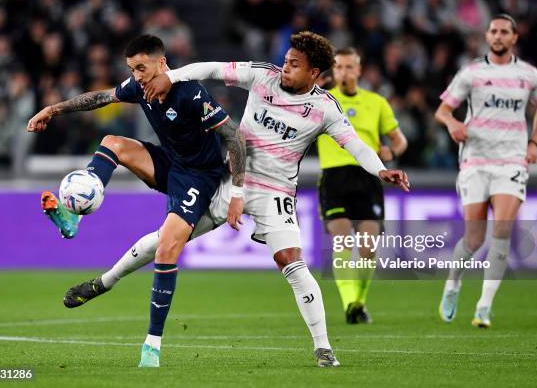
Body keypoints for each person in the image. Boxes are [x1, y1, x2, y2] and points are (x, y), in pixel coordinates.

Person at [105, 31, 406, 368]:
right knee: (168, 239)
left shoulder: (325, 109)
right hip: (232, 179)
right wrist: (170, 77)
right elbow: (212, 69)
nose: (285, 67)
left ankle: (323, 347)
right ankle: (106, 280)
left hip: (276, 192)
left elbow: (355, 145)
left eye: (294, 64)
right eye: (286, 59)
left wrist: (381, 171)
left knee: (292, 262)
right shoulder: (264, 75)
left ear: (314, 74)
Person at [26, 34, 246, 366]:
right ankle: (77, 212)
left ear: (162, 62)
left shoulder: (190, 92)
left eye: (142, 68)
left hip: (199, 178)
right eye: (133, 69)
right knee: (112, 141)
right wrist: (53, 109)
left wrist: (238, 194)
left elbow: (233, 136)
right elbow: (100, 98)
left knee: (166, 247)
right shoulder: (138, 87)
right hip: (168, 163)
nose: (138, 76)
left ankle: (151, 346)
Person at [435, 14, 537, 328]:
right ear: (487, 36)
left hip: (512, 161)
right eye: (493, 31)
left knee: (501, 231)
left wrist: (534, 142)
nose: (498, 36)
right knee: (474, 238)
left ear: (514, 38)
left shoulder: (529, 75)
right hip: (475, 160)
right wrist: (453, 123)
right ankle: (453, 283)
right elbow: (443, 109)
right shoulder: (472, 72)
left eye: (504, 32)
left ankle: (484, 307)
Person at [316, 47, 408, 324]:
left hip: (369, 176)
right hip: (334, 177)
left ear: (358, 69)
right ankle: (350, 304)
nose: (343, 72)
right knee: (342, 240)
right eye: (339, 67)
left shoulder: (377, 102)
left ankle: (359, 301)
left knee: (368, 246)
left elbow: (400, 139)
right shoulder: (324, 100)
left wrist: (391, 152)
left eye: (348, 67)